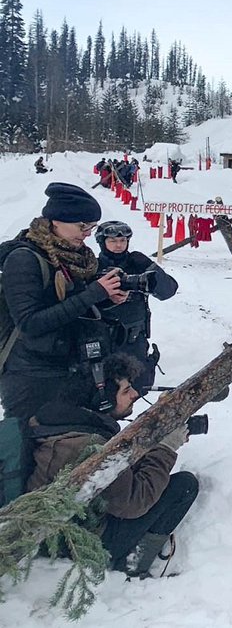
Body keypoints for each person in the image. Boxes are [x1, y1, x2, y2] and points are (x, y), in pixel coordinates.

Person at [26, 352, 198, 578]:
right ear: (103, 400)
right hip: (75, 541)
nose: (135, 394)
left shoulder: (63, 420)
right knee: (184, 486)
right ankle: (134, 564)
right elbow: (135, 502)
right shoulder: (87, 445)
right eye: (126, 391)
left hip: (61, 527)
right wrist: (166, 448)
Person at [0, 183, 129, 422]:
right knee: (28, 447)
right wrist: (92, 294)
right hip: (30, 375)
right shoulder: (23, 259)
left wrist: (104, 298)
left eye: (92, 227)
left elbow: (71, 309)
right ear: (56, 221)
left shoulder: (73, 258)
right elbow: (30, 323)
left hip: (68, 366)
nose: (88, 233)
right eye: (82, 226)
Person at [95, 221, 179, 394]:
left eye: (123, 241)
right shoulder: (93, 267)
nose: (118, 245)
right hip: (103, 342)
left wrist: (151, 268)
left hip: (134, 342)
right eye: (112, 241)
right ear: (102, 242)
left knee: (136, 392)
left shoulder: (137, 265)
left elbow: (168, 291)